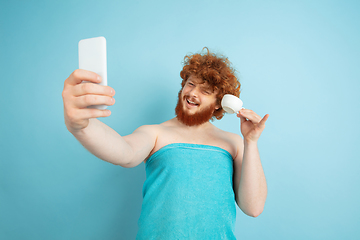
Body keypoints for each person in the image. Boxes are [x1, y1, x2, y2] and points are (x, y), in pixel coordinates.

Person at [62, 48, 269, 239]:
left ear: (219, 103)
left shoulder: (233, 143)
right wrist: (81, 126)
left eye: (205, 91)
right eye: (191, 84)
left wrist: (251, 142)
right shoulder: (155, 133)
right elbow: (124, 152)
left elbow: (253, 207)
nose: (193, 93)